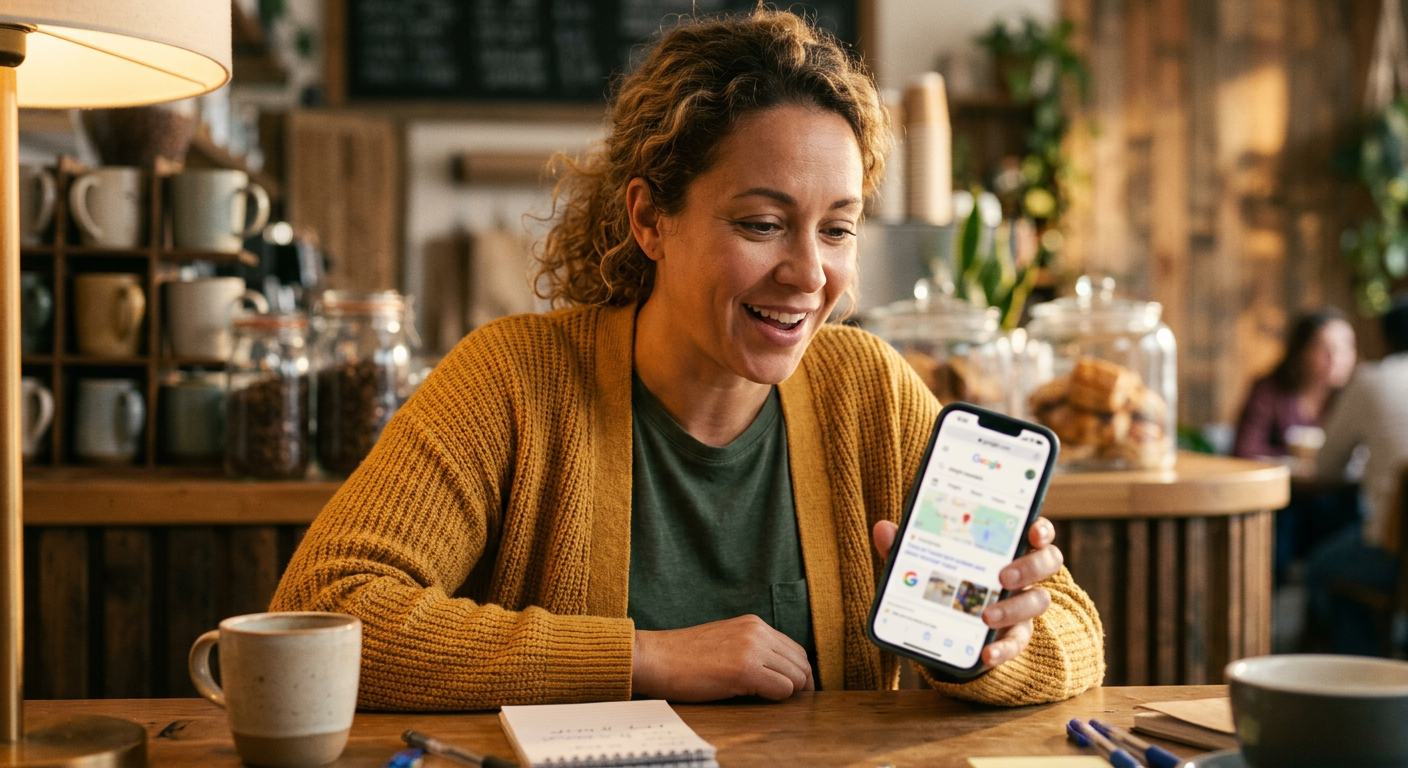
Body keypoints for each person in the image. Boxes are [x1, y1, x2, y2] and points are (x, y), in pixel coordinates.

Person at [271, 10, 1104, 710]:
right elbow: (328, 610)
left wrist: (995, 644)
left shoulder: (870, 393)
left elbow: (1077, 638)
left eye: (839, 228)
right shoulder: (513, 381)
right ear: (650, 218)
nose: (810, 275)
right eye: (761, 223)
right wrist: (645, 658)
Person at [1305, 296, 1408, 655]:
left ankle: (1361, 678)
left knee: (1320, 568)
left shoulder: (1371, 381)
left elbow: (1326, 466)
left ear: (1386, 340)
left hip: (1394, 554)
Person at [1232, 310, 1359, 584]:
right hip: (1285, 502)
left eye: (1346, 348)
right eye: (1324, 348)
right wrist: (1297, 463)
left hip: (1337, 501)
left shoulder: (1354, 397)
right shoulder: (1270, 390)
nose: (1335, 359)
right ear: (1300, 351)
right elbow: (1244, 451)